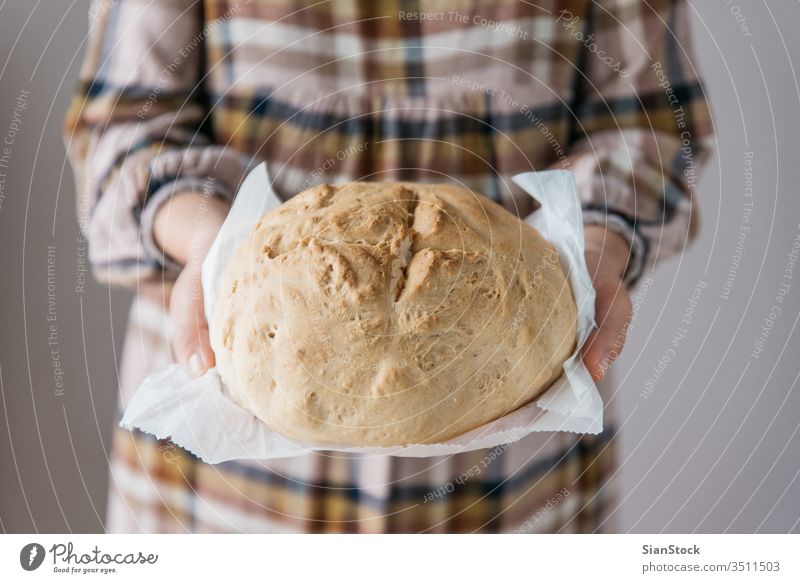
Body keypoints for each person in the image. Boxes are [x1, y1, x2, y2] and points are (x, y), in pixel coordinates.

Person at [64, 0, 713, 533]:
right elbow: (122, 130)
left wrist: (595, 244)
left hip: (509, 475)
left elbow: (654, 126)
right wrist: (207, 242)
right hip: (224, 479)